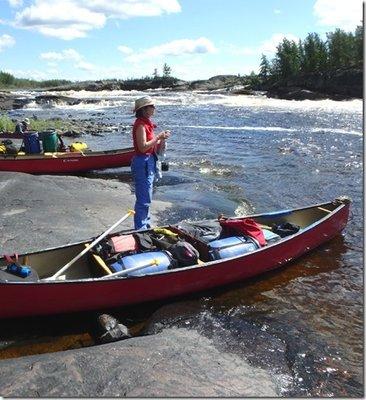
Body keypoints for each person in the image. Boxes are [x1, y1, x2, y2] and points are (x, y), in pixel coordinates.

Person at [131, 96, 171, 230]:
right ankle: (140, 228)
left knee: (146, 196)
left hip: (149, 160)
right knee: (144, 198)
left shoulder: (147, 123)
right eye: (151, 106)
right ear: (144, 110)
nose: (154, 108)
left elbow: (152, 145)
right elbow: (142, 147)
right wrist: (158, 137)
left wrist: (162, 139)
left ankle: (145, 224)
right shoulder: (141, 125)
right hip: (142, 162)